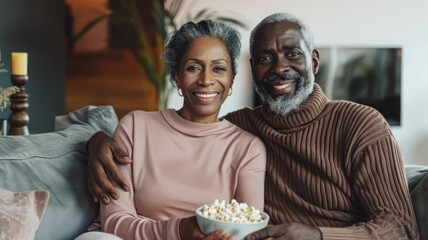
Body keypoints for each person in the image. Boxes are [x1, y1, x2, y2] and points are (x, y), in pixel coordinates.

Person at [86, 13, 419, 240]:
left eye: (292, 54)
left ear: (314, 61)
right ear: (248, 70)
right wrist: (93, 141)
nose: (279, 68)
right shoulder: (243, 127)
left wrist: (317, 236)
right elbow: (193, 130)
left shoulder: (360, 124)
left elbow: (401, 229)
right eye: (264, 58)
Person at [83, 20, 267, 240]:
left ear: (231, 79)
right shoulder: (135, 126)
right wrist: (178, 231)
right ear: (177, 76)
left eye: (218, 69)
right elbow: (114, 221)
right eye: (193, 68)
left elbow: (247, 229)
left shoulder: (248, 148)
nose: (206, 80)